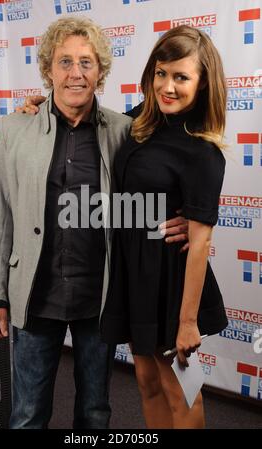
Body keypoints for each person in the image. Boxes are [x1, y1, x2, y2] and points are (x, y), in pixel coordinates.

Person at [0, 16, 186, 429]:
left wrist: (177, 221)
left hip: (100, 297)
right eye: (65, 62)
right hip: (36, 296)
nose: (76, 73)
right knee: (26, 415)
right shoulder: (14, 128)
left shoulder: (125, 130)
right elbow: (0, 215)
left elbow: (150, 187)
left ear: (101, 72)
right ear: (48, 70)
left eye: (87, 63)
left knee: (95, 413)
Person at [100, 25, 228, 429]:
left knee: (180, 388)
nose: (168, 86)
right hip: (136, 273)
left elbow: (201, 241)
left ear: (203, 82)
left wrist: (187, 321)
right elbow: (92, 121)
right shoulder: (139, 121)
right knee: (145, 380)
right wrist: (41, 106)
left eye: (181, 77)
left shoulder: (203, 151)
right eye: (161, 73)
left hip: (173, 281)